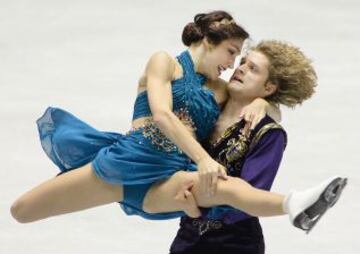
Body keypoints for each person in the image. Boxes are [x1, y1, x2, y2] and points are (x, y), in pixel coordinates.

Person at [10, 11, 346, 235]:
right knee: (21, 211)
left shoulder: (219, 89)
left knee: (226, 188)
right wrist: (202, 158)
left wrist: (261, 101)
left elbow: (259, 98)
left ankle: (296, 204)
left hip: (168, 177)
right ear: (208, 42)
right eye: (231, 52)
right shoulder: (166, 63)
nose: (232, 65)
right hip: (124, 165)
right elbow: (162, 115)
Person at [168, 40, 336, 254]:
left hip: (235, 244)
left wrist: (196, 208)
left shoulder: (267, 133)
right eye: (243, 62)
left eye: (253, 69)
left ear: (269, 87)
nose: (240, 69)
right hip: (188, 240)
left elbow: (251, 197)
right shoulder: (207, 109)